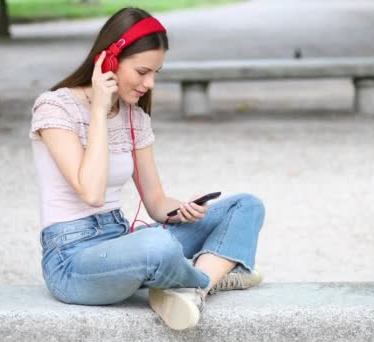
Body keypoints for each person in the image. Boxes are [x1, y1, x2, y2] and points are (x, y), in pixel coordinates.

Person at [28, 7, 265, 330]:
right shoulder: (55, 108)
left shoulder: (134, 116)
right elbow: (92, 192)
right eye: (142, 71)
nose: (149, 83)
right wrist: (99, 109)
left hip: (123, 241)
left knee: (246, 206)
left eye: (156, 72)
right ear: (109, 62)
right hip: (72, 261)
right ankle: (212, 273)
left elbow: (156, 202)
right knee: (158, 246)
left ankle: (194, 285)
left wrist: (183, 209)